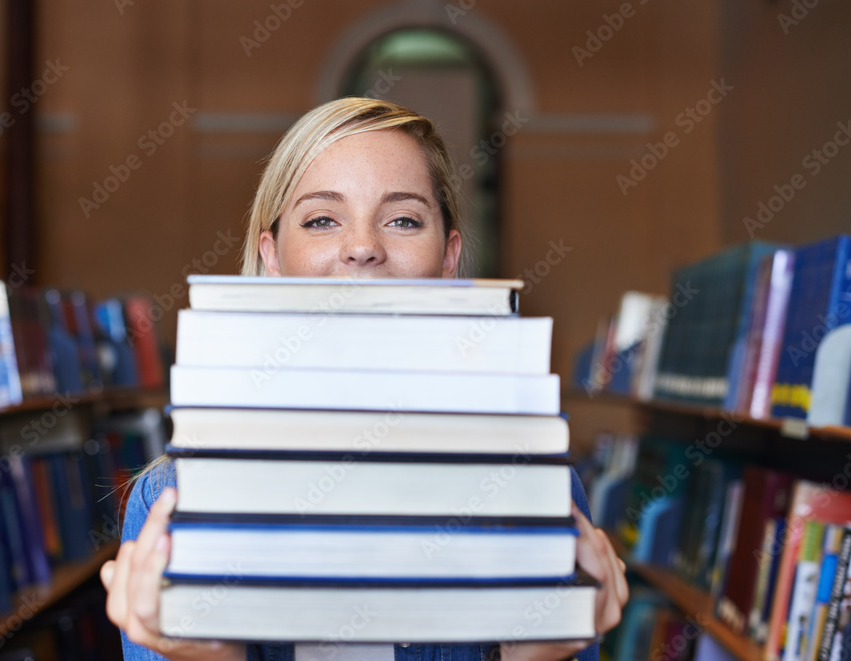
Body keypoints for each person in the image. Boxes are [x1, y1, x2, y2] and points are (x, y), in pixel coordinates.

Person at [100, 97, 629, 661]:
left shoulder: (539, 491)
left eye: (403, 219)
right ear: (272, 259)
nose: (362, 248)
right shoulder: (171, 502)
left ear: (448, 260)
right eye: (321, 219)